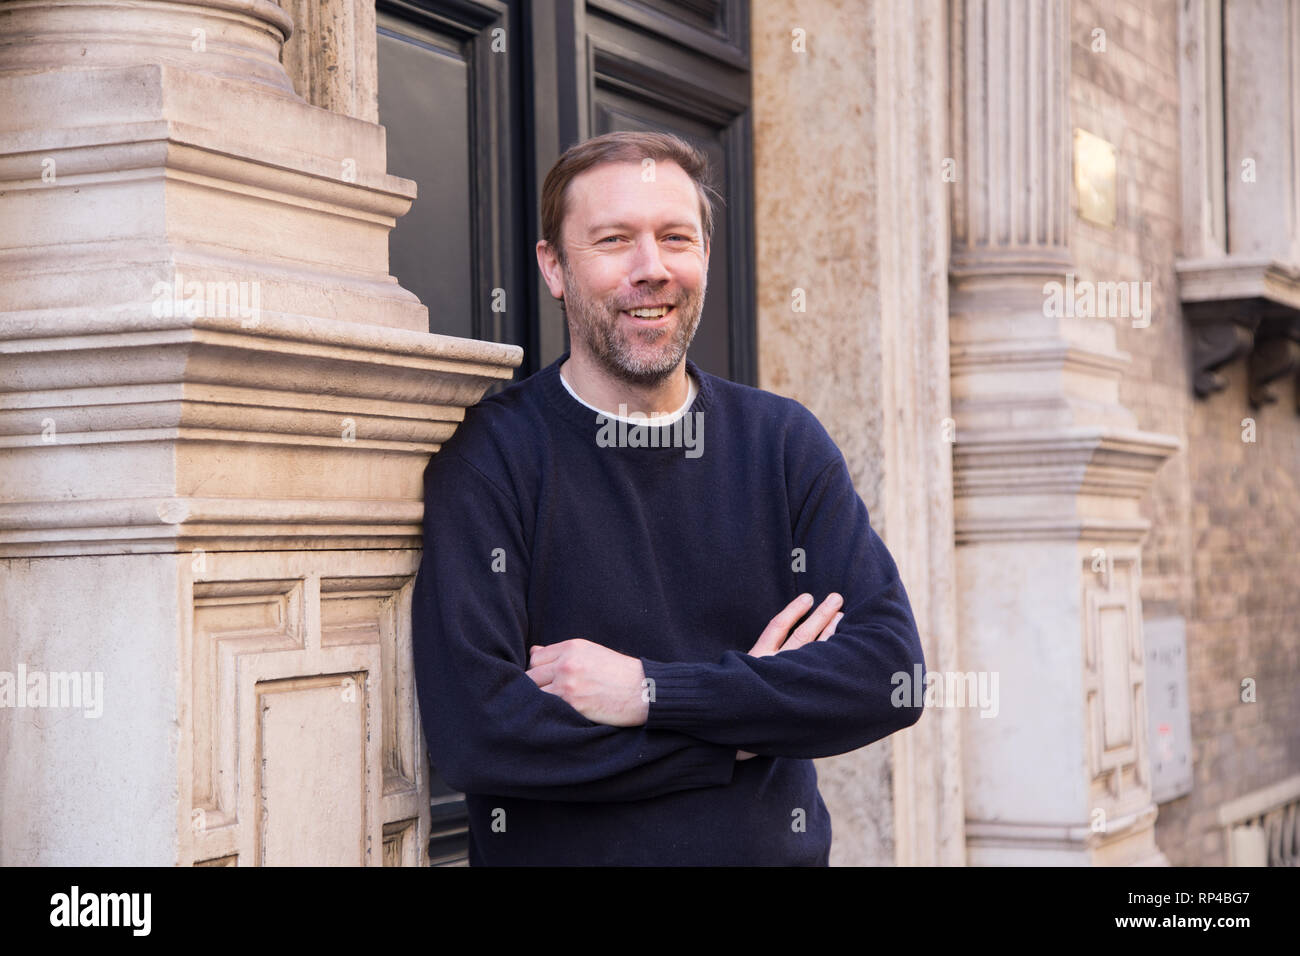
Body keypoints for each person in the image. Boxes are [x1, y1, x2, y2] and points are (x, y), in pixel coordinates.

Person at [411, 130, 926, 866]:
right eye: (614, 240)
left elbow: (888, 677)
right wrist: (746, 731)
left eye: (675, 238)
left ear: (705, 258)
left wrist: (650, 691)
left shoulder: (782, 442)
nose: (651, 270)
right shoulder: (493, 456)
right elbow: (481, 735)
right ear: (554, 268)